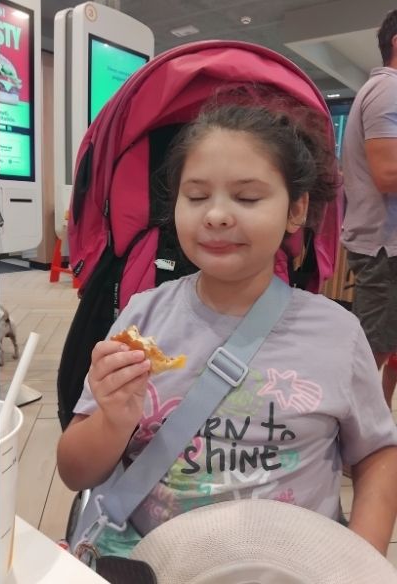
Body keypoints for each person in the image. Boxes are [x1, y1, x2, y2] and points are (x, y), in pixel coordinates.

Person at [57, 93, 397, 558]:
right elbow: (76, 473)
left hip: (291, 565)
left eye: (247, 196)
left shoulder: (337, 333)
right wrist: (115, 421)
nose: (215, 214)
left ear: (296, 210)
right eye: (196, 196)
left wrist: (361, 558)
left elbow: (377, 453)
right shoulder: (143, 316)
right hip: (155, 559)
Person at [340, 9, 397, 409]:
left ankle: (376, 434)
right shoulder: (390, 91)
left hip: (387, 247)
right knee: (369, 353)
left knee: (386, 349)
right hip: (384, 248)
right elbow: (388, 175)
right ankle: (345, 442)